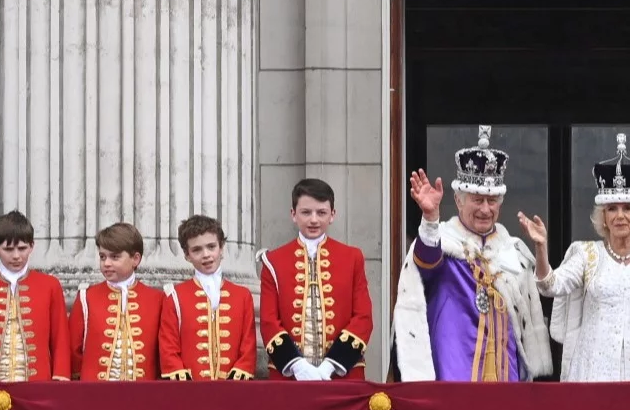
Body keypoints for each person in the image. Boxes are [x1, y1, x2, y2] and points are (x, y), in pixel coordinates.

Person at [394, 126, 551, 382]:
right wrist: (431, 219)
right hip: (453, 371)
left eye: (492, 201)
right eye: (477, 200)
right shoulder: (444, 242)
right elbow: (425, 262)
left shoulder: (513, 252)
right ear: (458, 201)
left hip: (506, 373)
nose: (485, 209)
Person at [520, 134, 630, 382]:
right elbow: (550, 286)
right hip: (594, 370)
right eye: (611, 209)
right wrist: (541, 247)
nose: (620, 216)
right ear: (603, 217)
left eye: (627, 208)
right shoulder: (587, 253)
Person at [256, 179, 372, 381]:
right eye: (306, 212)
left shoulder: (352, 257)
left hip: (342, 374)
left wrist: (331, 365)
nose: (314, 220)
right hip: (290, 377)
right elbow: (268, 321)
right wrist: (297, 366)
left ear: (332, 215)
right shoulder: (272, 261)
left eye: (321, 212)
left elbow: (363, 317)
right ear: (293, 214)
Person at [0, 210, 69, 382]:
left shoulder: (50, 285)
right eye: (8, 249)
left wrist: (60, 375)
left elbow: (60, 336)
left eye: (22, 248)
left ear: (32, 246)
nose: (16, 256)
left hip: (39, 384)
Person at [158, 215, 256, 381]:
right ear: (186, 255)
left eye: (211, 247)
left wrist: (239, 374)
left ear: (221, 248)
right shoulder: (174, 296)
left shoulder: (242, 295)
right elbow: (168, 346)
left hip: (233, 390)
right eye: (197, 250)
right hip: (190, 391)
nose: (206, 255)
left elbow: (248, 344)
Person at [70, 222, 164, 381]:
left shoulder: (157, 299)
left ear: (135, 259)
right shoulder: (87, 297)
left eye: (115, 257)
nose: (106, 263)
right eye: (102, 257)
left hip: (144, 396)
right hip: (96, 395)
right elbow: (74, 351)